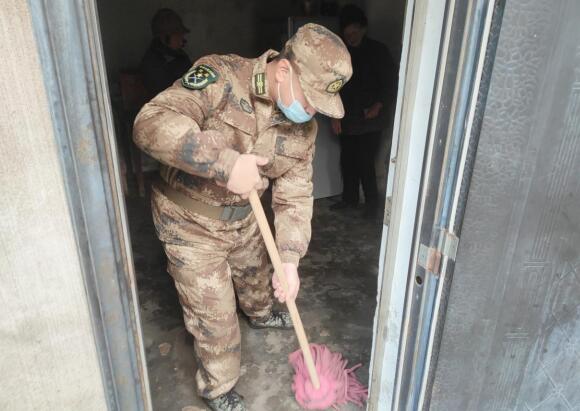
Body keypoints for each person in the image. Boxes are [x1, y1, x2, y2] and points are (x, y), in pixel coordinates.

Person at [133, 23, 352, 411]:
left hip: (246, 221)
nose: (312, 111)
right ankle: (218, 388)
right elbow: (150, 122)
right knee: (215, 322)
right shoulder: (221, 77)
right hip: (190, 224)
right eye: (310, 99)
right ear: (283, 72)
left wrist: (290, 259)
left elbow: (295, 196)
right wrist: (223, 163)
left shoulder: (304, 130)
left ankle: (261, 316)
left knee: (259, 283)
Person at [330, 4, 397, 219]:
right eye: (347, 34)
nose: (351, 37)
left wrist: (378, 105)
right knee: (347, 159)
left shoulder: (379, 51)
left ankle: (371, 206)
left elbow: (390, 84)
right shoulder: (341, 53)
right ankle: (349, 199)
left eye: (354, 32)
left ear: (363, 29)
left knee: (365, 161)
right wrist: (334, 115)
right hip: (347, 116)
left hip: (371, 117)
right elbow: (332, 86)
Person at [140, 8, 192, 99]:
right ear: (165, 38)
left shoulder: (178, 55)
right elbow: (164, 94)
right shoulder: (153, 62)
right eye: (177, 36)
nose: (181, 41)